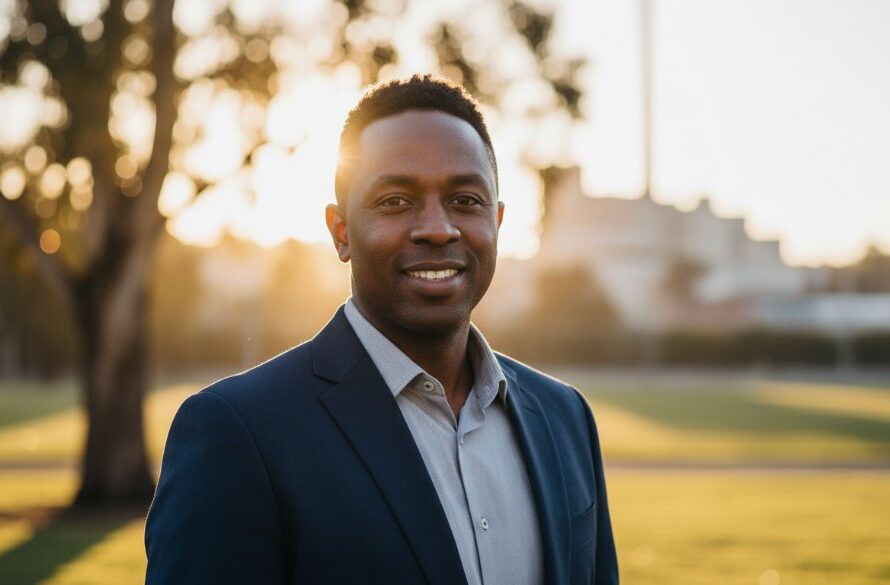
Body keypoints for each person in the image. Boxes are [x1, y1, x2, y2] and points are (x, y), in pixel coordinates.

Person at [144, 74, 618, 585]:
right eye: (396, 201)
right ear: (341, 232)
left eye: (465, 200)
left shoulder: (566, 418)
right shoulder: (239, 433)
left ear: (497, 223)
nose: (438, 228)